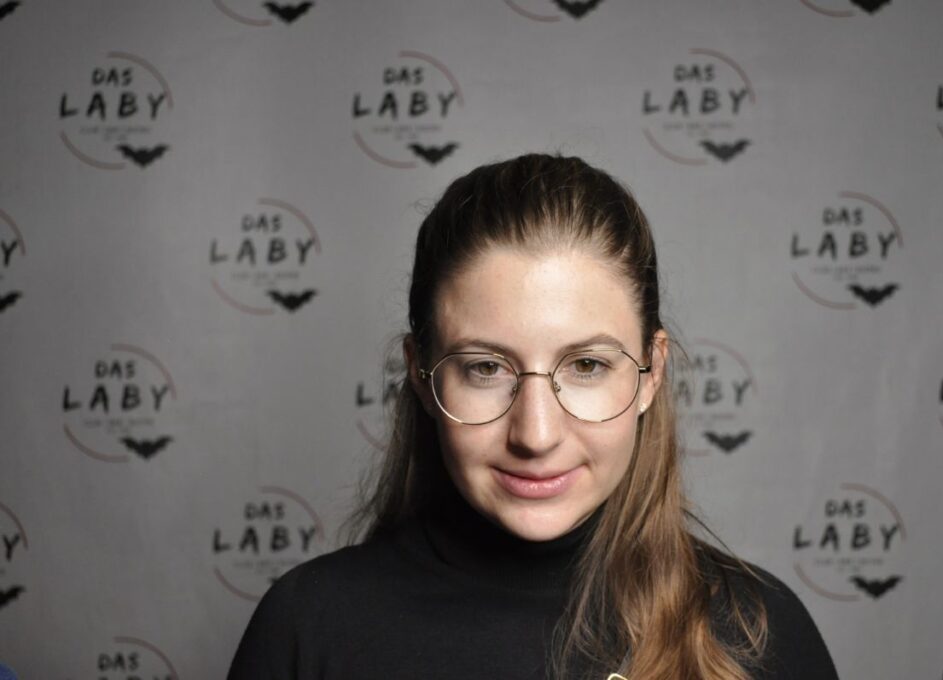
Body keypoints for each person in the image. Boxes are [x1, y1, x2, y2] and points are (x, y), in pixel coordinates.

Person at [226, 153, 839, 680]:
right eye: (485, 368)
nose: (536, 435)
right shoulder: (307, 629)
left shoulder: (759, 635)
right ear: (421, 374)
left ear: (651, 373)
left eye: (587, 366)